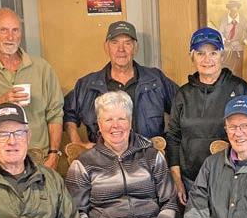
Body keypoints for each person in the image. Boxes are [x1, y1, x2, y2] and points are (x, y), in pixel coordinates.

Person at [0, 8, 64, 169]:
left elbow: (55, 114)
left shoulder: (42, 68)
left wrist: (54, 154)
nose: (10, 37)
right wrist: (2, 102)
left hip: (39, 162)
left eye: (15, 30)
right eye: (4, 30)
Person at [65, 91, 178, 218]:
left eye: (121, 119)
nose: (115, 126)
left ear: (130, 122)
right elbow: (76, 213)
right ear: (99, 124)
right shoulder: (83, 164)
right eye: (108, 120)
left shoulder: (152, 156)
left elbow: (170, 203)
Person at [165, 27, 247, 205]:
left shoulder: (239, 89)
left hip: (231, 180)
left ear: (222, 55)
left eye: (213, 53)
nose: (207, 59)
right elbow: (173, 137)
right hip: (191, 181)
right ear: (192, 57)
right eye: (200, 53)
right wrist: (177, 180)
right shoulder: (183, 94)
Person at [63, 20, 178, 148]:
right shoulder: (87, 85)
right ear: (106, 47)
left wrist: (169, 145)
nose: (121, 49)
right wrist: (77, 143)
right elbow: (66, 112)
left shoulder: (156, 79)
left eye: (127, 43)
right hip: (103, 158)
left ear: (135, 47)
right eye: (115, 43)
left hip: (147, 156)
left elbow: (183, 109)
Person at [217, 0, 247, 78]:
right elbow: (220, 33)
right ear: (229, 9)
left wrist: (245, 40)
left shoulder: (242, 19)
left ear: (238, 8)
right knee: (226, 69)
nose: (233, 10)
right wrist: (225, 40)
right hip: (227, 49)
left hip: (238, 48)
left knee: (238, 70)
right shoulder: (224, 19)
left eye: (235, 8)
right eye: (231, 8)